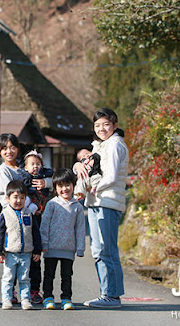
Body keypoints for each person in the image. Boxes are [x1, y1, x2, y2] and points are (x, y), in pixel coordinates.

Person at [73, 108, 129, 309]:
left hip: (107, 202)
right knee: (98, 250)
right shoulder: (100, 146)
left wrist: (95, 187)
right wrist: (77, 166)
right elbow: (88, 166)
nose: (101, 128)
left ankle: (112, 296)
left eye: (106, 124)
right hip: (97, 202)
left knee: (106, 249)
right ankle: (107, 293)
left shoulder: (114, 145)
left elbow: (111, 176)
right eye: (97, 125)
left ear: (114, 125)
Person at [0, 134, 45, 303]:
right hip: (14, 219)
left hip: (32, 217)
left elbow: (44, 177)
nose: (9, 151)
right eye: (5, 148)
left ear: (18, 149)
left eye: (12, 147)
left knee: (33, 254)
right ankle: (12, 292)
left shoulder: (26, 165)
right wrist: (25, 210)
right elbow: (4, 196)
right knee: (13, 255)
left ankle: (34, 291)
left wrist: (45, 183)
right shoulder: (3, 170)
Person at [40, 168, 85, 310]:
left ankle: (66, 298)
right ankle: (47, 297)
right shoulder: (52, 204)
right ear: (55, 188)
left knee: (67, 276)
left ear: (73, 185)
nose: (64, 189)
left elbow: (80, 229)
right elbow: (44, 225)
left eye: (67, 185)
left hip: (68, 249)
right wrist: (44, 243)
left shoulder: (77, 207)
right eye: (60, 186)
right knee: (49, 275)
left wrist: (80, 248)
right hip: (51, 248)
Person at [0, 180, 42, 310]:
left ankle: (25, 300)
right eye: (15, 197)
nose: (18, 201)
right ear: (7, 198)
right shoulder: (5, 214)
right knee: (8, 277)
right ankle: (6, 299)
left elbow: (35, 233)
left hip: (26, 252)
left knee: (25, 278)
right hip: (10, 252)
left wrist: (37, 250)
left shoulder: (28, 213)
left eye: (22, 198)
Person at [21, 150, 53, 304]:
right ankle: (20, 290)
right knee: (20, 258)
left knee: (35, 257)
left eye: (38, 164)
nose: (35, 167)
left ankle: (34, 290)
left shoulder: (45, 179)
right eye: (32, 164)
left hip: (39, 218)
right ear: (25, 167)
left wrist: (46, 183)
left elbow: (56, 183)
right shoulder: (22, 179)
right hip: (24, 220)